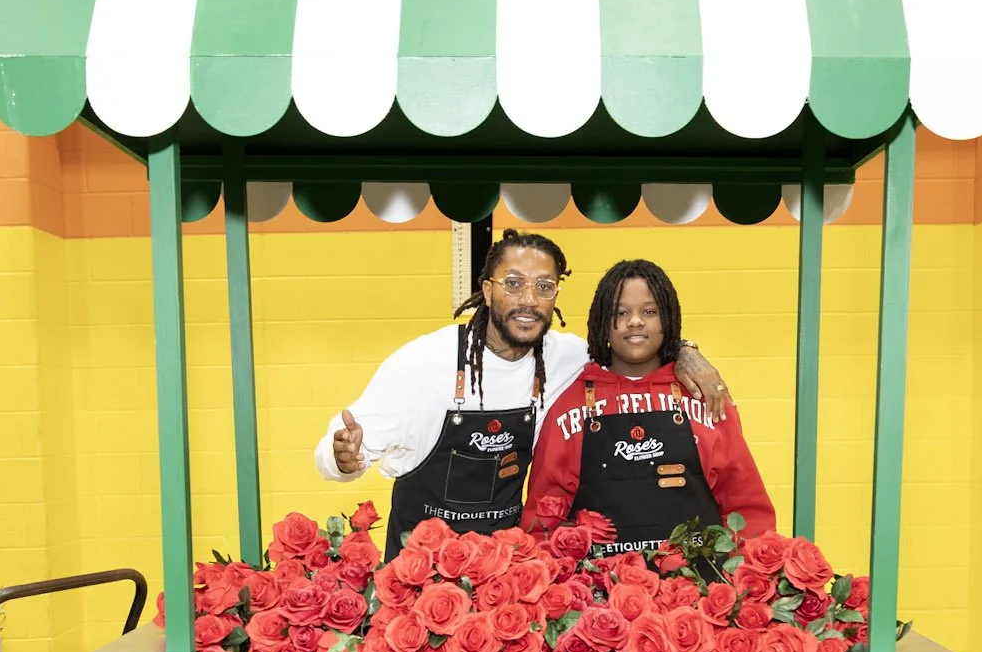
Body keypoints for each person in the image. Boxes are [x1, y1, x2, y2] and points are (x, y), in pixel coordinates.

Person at [315, 230, 733, 560]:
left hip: (505, 575)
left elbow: (632, 347)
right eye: (513, 284)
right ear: (487, 289)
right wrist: (342, 458)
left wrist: (684, 350)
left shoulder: (567, 357)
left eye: (544, 286)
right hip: (421, 574)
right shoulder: (423, 363)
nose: (529, 300)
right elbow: (337, 452)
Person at [522, 258, 775, 554]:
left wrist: (746, 571)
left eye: (649, 311)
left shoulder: (704, 396)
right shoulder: (568, 406)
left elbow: (747, 508)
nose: (635, 321)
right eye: (620, 312)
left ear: (668, 319)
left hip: (697, 580)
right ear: (602, 323)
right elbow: (541, 521)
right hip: (599, 581)